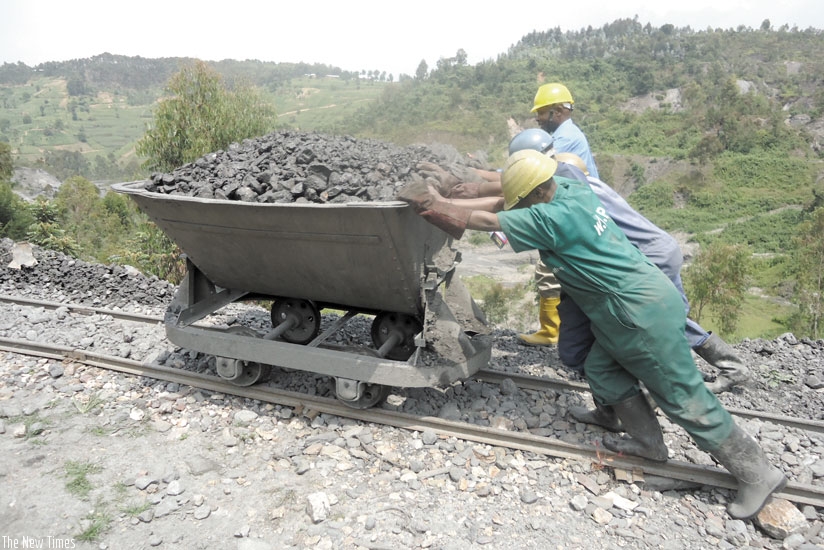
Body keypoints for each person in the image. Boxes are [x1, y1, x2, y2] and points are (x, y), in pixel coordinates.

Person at [398, 149, 786, 521]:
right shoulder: (570, 190)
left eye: (523, 200)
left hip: (638, 314)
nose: (518, 206)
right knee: (602, 369)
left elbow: (487, 221)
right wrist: (449, 198)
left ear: (536, 192)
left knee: (683, 397)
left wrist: (431, 204)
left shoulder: (550, 219)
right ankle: (647, 443)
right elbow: (501, 205)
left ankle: (755, 473)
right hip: (631, 304)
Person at [547, 151, 751, 397]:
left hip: (648, 257)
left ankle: (706, 373)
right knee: (671, 317)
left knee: (653, 320)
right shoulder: (596, 186)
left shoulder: (576, 198)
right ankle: (729, 367)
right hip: (664, 247)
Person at [532, 82, 599, 179]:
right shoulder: (566, 133)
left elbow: (538, 168)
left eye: (541, 113)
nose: (537, 118)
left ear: (558, 111)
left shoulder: (566, 137)